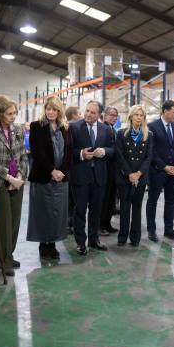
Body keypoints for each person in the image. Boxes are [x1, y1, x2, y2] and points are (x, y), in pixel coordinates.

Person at [0, 96, 27, 276]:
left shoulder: (18, 129)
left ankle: (6, 254)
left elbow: (23, 155)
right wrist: (10, 178)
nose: (13, 116)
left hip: (17, 180)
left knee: (15, 220)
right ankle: (4, 260)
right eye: (9, 113)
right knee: (3, 222)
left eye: (15, 113)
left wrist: (20, 176)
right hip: (0, 182)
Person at [27, 97, 72, 260]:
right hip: (43, 177)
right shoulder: (36, 126)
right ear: (44, 110)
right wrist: (52, 171)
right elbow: (37, 153)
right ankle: (43, 245)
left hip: (61, 178)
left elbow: (69, 152)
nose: (51, 112)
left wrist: (62, 172)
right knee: (43, 212)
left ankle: (52, 244)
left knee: (57, 213)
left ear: (59, 111)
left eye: (54, 109)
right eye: (48, 109)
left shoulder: (65, 128)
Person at [69, 100, 115, 255]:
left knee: (96, 211)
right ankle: (81, 243)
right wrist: (81, 154)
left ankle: (94, 240)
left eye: (92, 112)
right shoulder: (74, 128)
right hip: (80, 176)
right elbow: (68, 151)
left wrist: (105, 152)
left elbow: (113, 149)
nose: (88, 114)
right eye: (87, 110)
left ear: (99, 115)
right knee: (80, 210)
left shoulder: (106, 130)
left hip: (99, 177)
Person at [115, 105, 153, 246]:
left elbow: (149, 157)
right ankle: (122, 236)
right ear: (131, 116)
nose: (139, 117)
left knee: (137, 208)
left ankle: (135, 237)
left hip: (140, 178)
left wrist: (138, 174)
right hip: (125, 178)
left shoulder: (149, 135)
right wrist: (130, 174)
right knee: (124, 208)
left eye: (141, 115)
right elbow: (119, 156)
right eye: (136, 115)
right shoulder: (122, 133)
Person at [146, 100, 174, 242]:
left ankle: (169, 229)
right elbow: (152, 150)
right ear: (165, 111)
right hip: (157, 171)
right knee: (152, 201)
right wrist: (164, 167)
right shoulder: (152, 127)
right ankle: (151, 230)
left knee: (170, 201)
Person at [100, 106, 119, 236]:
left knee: (111, 200)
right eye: (111, 115)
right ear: (105, 116)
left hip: (114, 171)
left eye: (115, 115)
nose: (114, 117)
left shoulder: (114, 130)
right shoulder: (103, 129)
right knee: (103, 201)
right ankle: (100, 225)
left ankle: (107, 223)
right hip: (105, 170)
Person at [65, 106, 81, 235]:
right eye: (79, 113)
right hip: (72, 168)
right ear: (74, 115)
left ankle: (69, 223)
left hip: (70, 168)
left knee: (70, 198)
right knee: (72, 198)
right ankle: (69, 223)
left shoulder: (67, 127)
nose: (81, 116)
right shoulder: (71, 128)